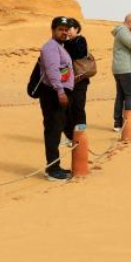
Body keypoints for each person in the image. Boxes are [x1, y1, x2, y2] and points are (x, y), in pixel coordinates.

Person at [36, 16, 75, 182]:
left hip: (59, 93)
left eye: (66, 30)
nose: (64, 32)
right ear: (53, 30)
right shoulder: (51, 47)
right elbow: (53, 72)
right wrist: (60, 92)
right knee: (52, 131)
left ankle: (55, 166)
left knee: (58, 129)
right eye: (60, 29)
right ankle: (52, 169)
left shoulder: (60, 47)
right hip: (53, 94)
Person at [64, 18, 91, 140]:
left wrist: (68, 44)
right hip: (68, 80)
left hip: (80, 79)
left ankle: (80, 137)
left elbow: (78, 54)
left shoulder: (81, 40)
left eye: (69, 29)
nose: (67, 32)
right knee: (68, 108)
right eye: (65, 29)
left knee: (78, 107)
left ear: (76, 29)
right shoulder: (66, 42)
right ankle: (70, 136)